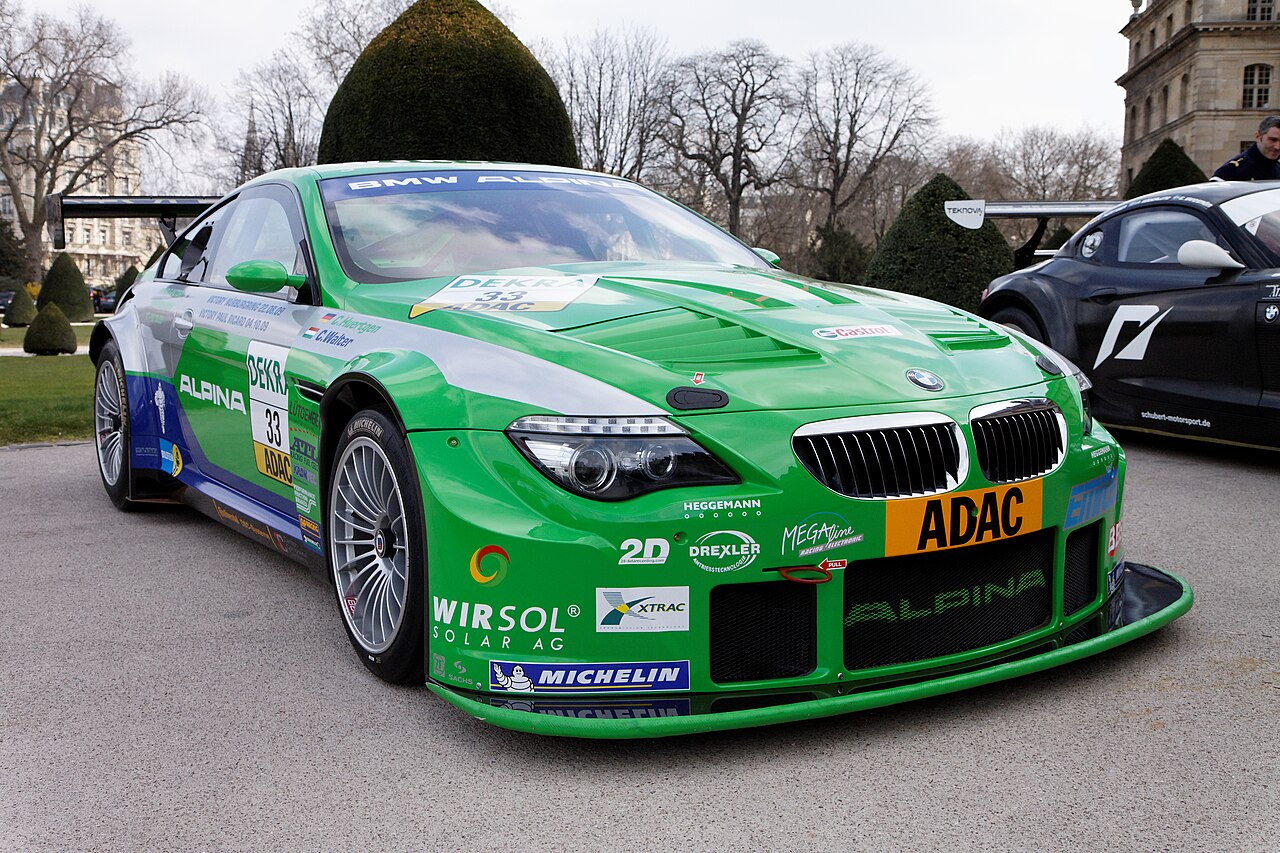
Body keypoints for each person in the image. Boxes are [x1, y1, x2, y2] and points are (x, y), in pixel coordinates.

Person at [1212, 116, 1280, 180]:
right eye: (1273, 140)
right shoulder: (1232, 171)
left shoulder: (1277, 168)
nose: (1277, 147)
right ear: (1258, 137)